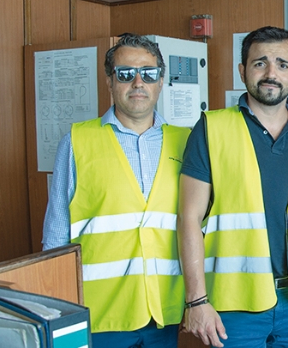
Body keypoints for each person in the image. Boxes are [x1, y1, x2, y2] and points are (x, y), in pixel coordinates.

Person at [177, 26, 288, 348]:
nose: (271, 73)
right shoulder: (212, 127)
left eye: (282, 64)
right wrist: (196, 301)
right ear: (242, 70)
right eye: (259, 63)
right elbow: (188, 218)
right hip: (234, 302)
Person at [42, 34, 190, 347]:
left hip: (166, 311)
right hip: (99, 313)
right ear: (110, 81)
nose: (138, 82)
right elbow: (56, 235)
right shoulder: (77, 141)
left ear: (161, 81)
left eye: (148, 74)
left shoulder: (186, 141)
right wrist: (59, 309)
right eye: (125, 73)